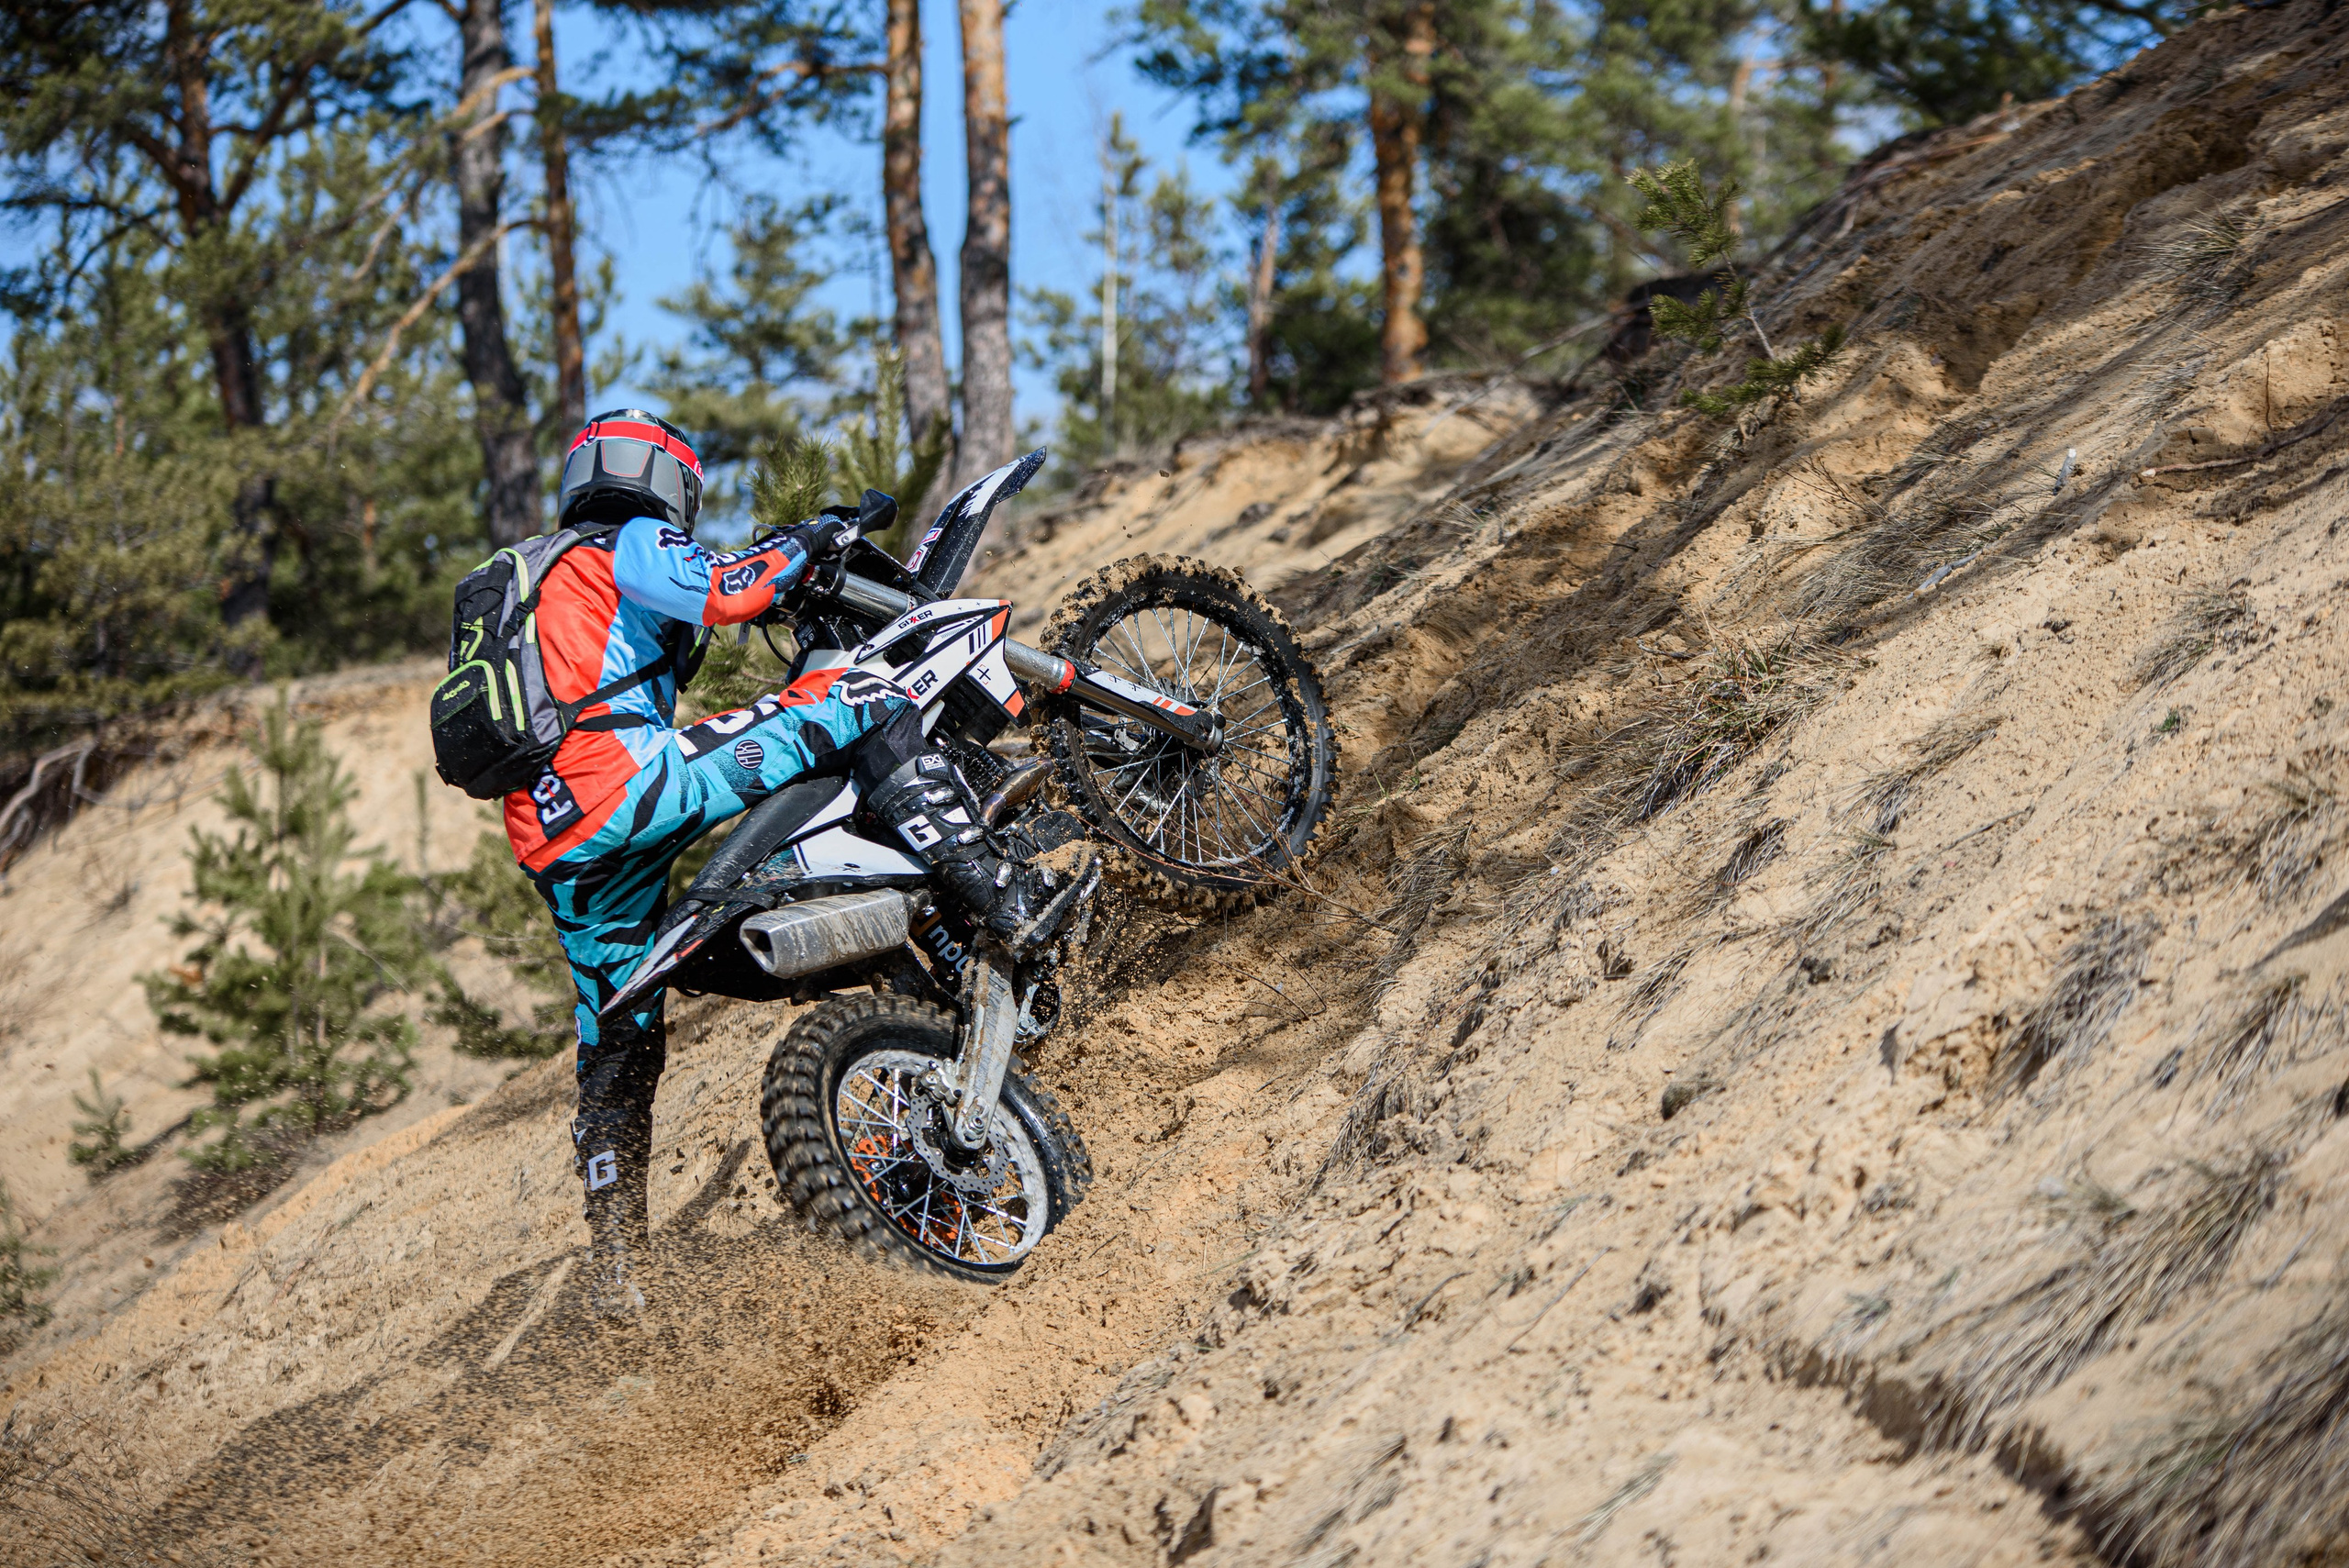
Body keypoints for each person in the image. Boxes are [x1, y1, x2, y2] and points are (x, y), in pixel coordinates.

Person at [511, 409, 1083, 1318]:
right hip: (630, 784)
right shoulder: (624, 541)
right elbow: (731, 589)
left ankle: (617, 1258)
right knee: (863, 695)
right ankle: (995, 892)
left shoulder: (529, 582)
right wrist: (810, 539)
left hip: (557, 837)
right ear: (668, 479)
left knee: (615, 1034)